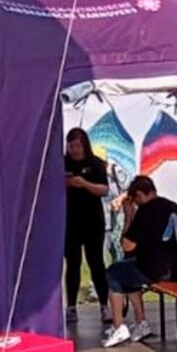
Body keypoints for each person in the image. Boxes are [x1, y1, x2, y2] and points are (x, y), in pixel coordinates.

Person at [102, 174, 177, 348]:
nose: (135, 204)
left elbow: (127, 246)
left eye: (135, 200)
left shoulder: (146, 210)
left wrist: (129, 216)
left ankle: (118, 326)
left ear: (140, 194)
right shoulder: (173, 206)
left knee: (113, 273)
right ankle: (141, 322)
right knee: (128, 273)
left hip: (156, 269)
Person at [63, 126, 111, 331]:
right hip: (70, 222)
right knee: (73, 264)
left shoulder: (95, 164)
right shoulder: (63, 163)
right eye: (71, 146)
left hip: (92, 221)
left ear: (84, 145)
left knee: (96, 262)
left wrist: (83, 183)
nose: (75, 150)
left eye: (77, 146)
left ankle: (104, 304)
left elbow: (104, 190)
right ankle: (71, 306)